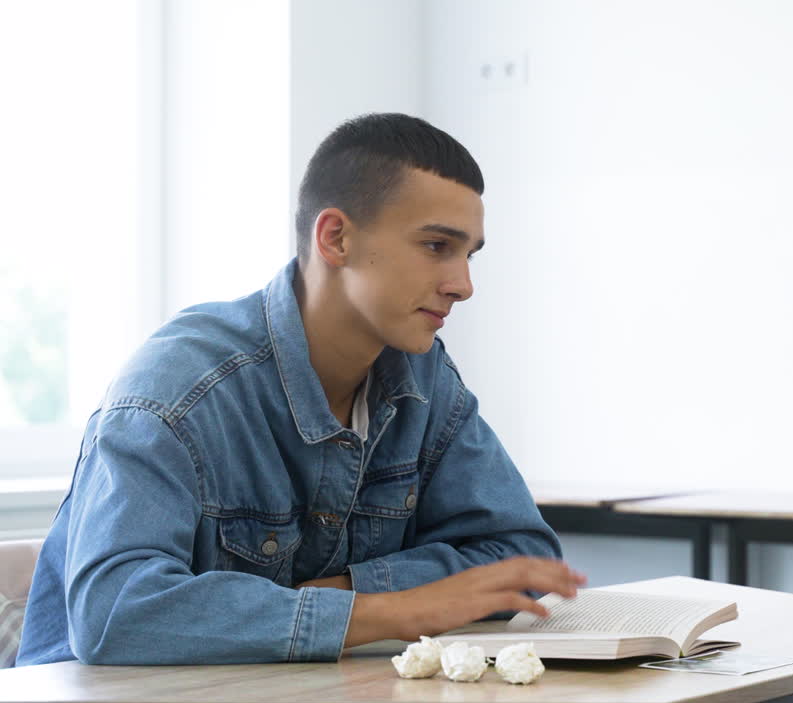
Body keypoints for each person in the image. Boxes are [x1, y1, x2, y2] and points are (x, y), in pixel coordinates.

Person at [18, 113, 583, 666]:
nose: (463, 285)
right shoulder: (176, 390)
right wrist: (389, 609)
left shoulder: (423, 375)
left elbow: (522, 561)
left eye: (469, 254)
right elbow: (114, 610)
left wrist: (344, 590)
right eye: (437, 246)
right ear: (335, 237)